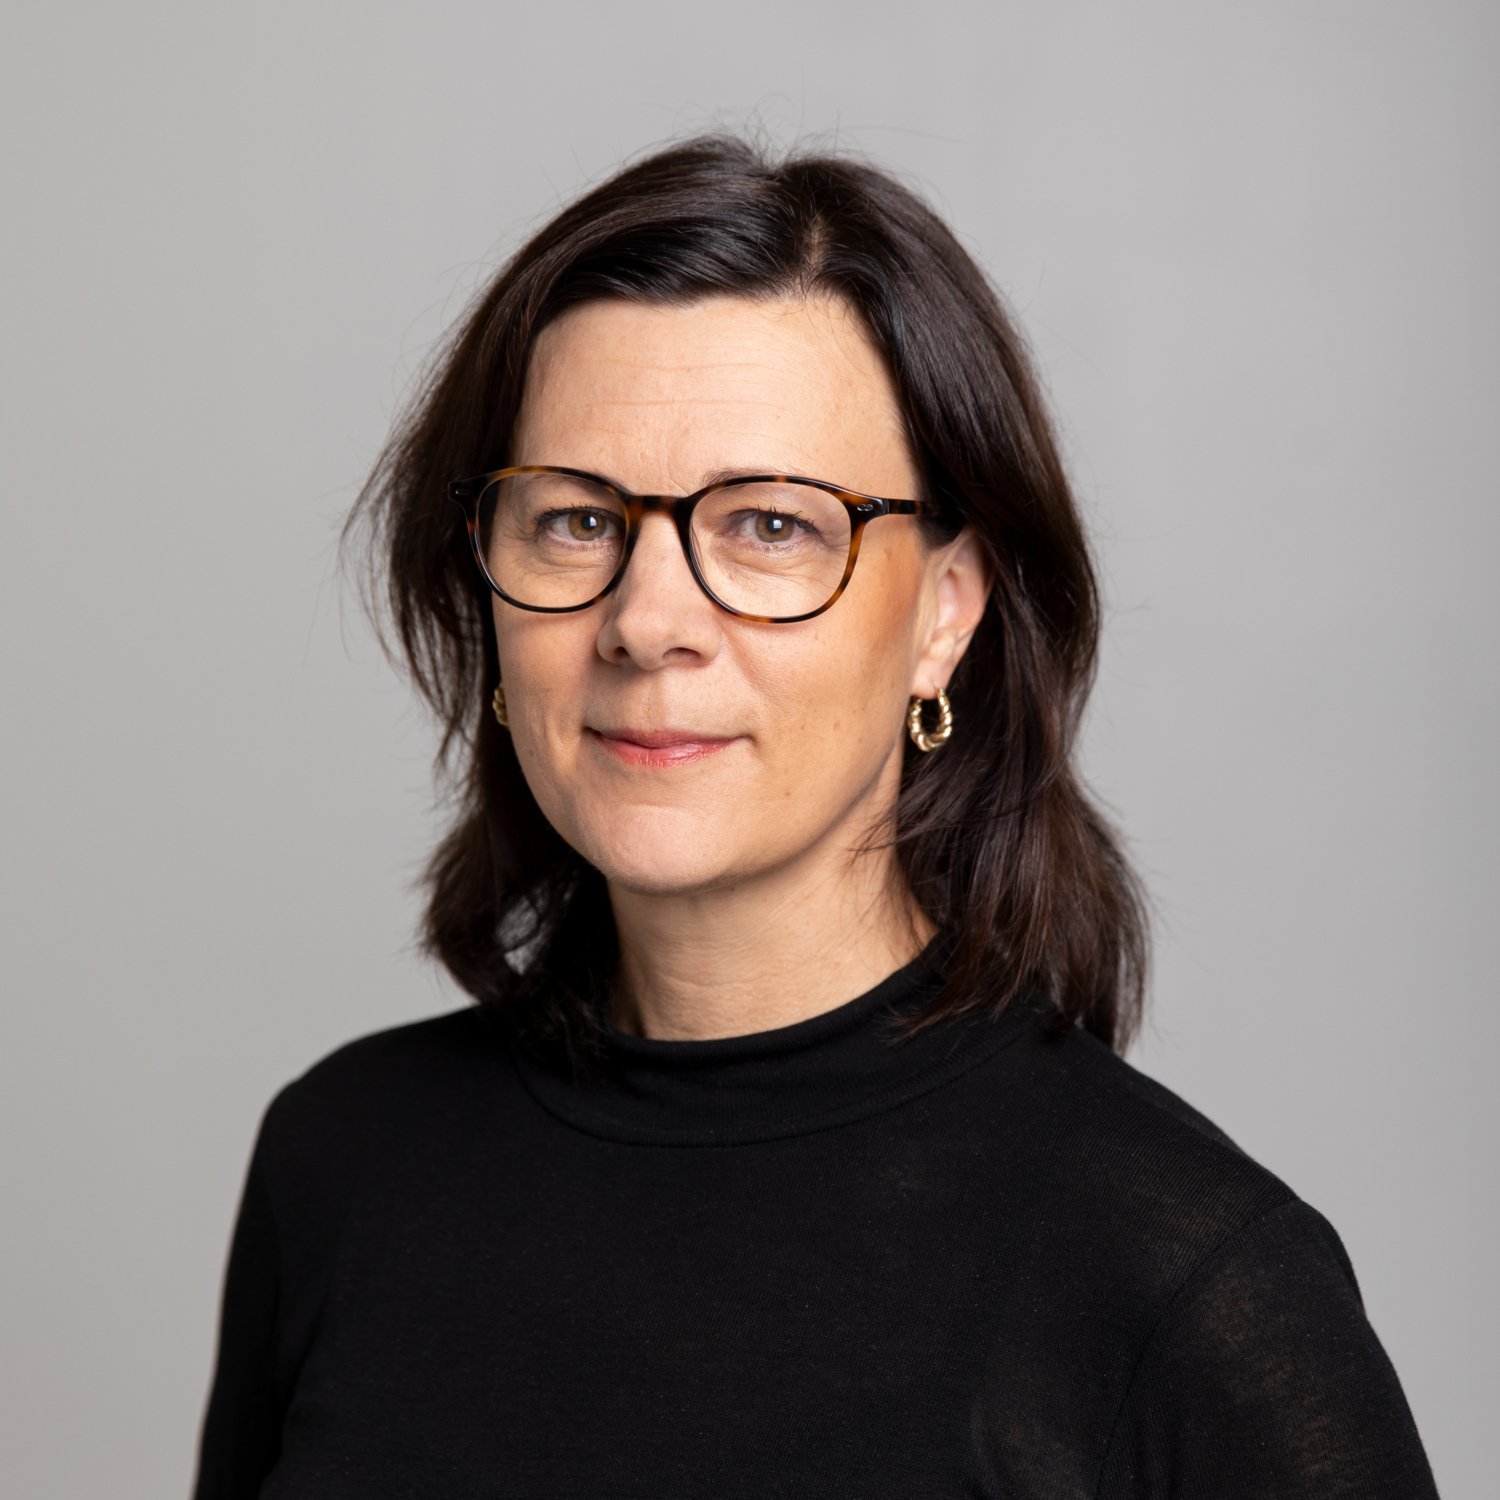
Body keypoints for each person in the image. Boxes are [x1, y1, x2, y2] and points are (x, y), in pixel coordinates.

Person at [190, 133, 1438, 1498]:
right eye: (575, 521)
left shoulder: (1187, 1285)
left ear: (944, 614)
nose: (647, 621)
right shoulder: (342, 1163)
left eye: (771, 525)